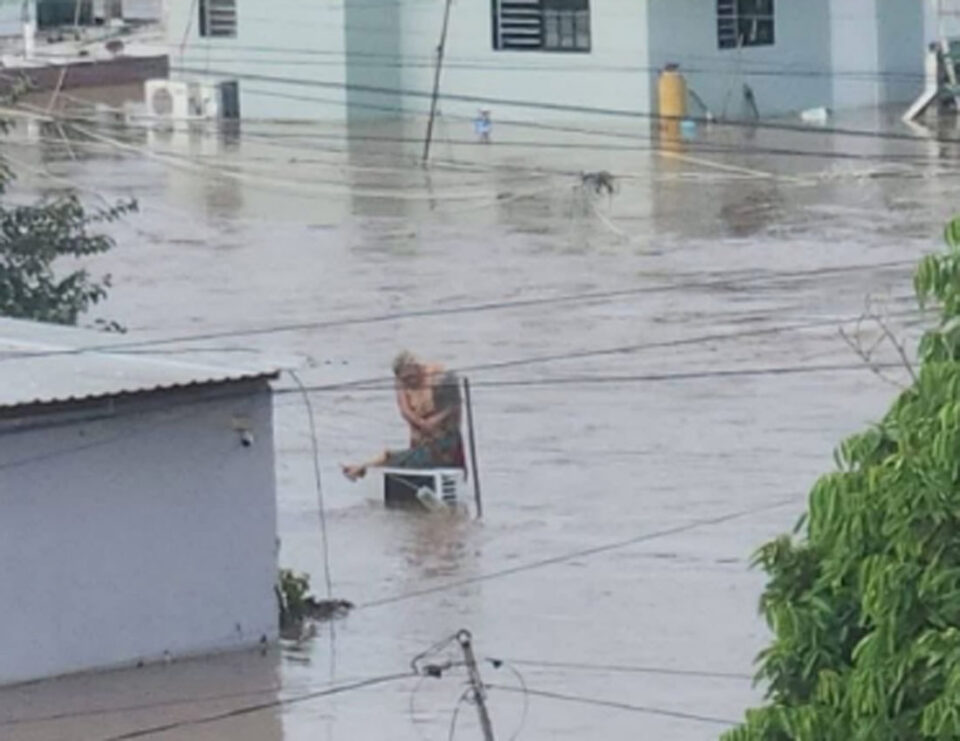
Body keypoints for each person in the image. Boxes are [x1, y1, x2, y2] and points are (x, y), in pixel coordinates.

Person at [341, 353, 465, 481]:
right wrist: (422, 423)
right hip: (421, 435)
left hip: (444, 438)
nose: (409, 382)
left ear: (418, 368)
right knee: (402, 462)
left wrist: (434, 421)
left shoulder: (438, 377)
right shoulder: (402, 383)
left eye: (412, 377)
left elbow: (454, 406)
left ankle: (361, 469)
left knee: (408, 461)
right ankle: (361, 468)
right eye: (405, 379)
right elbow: (405, 411)